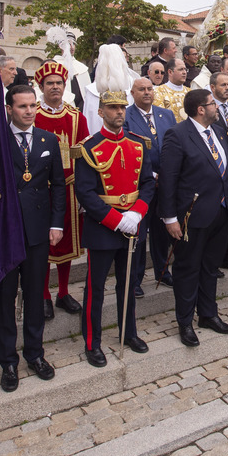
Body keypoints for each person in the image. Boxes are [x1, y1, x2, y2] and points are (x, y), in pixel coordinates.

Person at [73, 83, 154, 366]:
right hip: (103, 226)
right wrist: (116, 220)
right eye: (112, 107)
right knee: (96, 288)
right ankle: (92, 341)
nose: (118, 112)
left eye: (121, 107)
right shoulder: (87, 148)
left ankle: (128, 331)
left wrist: (137, 214)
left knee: (128, 283)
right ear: (101, 111)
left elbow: (147, 183)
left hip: (133, 223)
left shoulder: (138, 143)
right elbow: (84, 192)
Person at [0, 85, 66, 392]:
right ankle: (8, 360)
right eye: (22, 106)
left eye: (32, 106)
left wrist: (57, 223)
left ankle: (35, 353)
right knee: (6, 297)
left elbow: (59, 185)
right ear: (10, 108)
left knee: (35, 294)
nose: (28, 111)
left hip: (39, 229)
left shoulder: (48, 139)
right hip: (7, 230)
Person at [157, 89, 228, 347]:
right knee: (188, 269)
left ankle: (208, 314)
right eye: (213, 104)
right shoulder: (178, 135)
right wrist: (169, 217)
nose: (217, 107)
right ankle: (184, 321)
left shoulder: (219, 132)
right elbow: (168, 179)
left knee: (210, 268)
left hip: (221, 212)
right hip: (192, 215)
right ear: (201, 109)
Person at [32, 62, 89, 319]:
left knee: (66, 242)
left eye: (59, 83)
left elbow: (86, 155)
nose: (55, 87)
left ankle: (63, 292)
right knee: (44, 243)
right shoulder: (32, 116)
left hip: (68, 188)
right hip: (38, 190)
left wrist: (84, 192)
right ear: (41, 87)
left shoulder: (76, 116)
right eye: (50, 83)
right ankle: (42, 294)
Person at [124, 76, 177, 288]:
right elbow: (128, 150)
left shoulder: (166, 114)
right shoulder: (126, 116)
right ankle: (135, 279)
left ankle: (162, 271)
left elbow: (174, 145)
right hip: (141, 184)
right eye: (141, 89)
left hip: (165, 184)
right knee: (139, 235)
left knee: (161, 231)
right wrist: (151, 174)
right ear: (132, 93)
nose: (147, 92)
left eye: (149, 89)